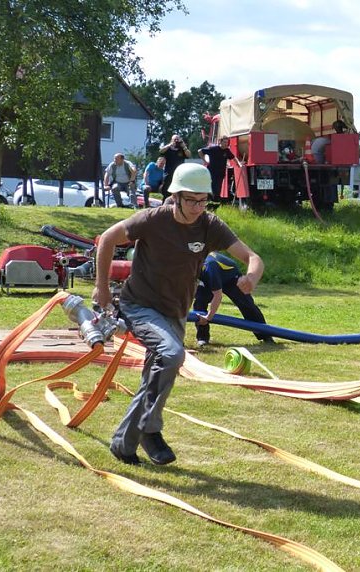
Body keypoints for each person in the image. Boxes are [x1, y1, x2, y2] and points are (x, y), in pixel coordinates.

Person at [93, 163, 264, 466]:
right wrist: (102, 289)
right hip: (140, 305)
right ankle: (150, 428)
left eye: (203, 200)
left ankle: (123, 443)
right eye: (191, 200)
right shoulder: (152, 219)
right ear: (175, 196)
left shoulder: (210, 225)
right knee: (172, 356)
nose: (198, 207)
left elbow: (253, 257)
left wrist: (250, 277)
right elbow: (106, 239)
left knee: (154, 377)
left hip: (175, 313)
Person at [194, 251, 275, 346]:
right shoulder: (188, 265)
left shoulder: (209, 267)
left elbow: (218, 295)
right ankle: (202, 338)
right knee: (199, 303)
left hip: (231, 278)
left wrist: (209, 316)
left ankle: (265, 335)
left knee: (247, 306)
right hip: (210, 277)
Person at [198, 137, 236, 203]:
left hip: (221, 174)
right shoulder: (213, 149)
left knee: (217, 190)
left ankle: (215, 203)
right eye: (224, 142)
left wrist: (239, 164)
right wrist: (205, 161)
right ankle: (208, 202)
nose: (226, 144)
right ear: (220, 142)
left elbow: (233, 157)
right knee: (211, 188)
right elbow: (200, 151)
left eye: (227, 142)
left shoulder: (227, 151)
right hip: (211, 173)